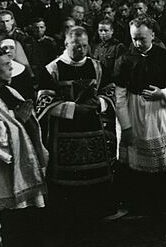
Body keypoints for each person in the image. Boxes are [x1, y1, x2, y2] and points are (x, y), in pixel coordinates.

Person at [36, 27, 118, 225]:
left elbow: (110, 90)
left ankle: (97, 210)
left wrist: (100, 102)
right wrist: (73, 108)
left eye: (84, 46)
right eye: (76, 46)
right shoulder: (52, 69)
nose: (81, 50)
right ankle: (67, 213)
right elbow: (44, 101)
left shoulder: (97, 67)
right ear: (66, 44)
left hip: (93, 127)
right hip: (65, 130)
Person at [0, 48, 48, 246]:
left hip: (18, 170)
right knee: (6, 227)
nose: (11, 69)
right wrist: (19, 119)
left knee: (24, 224)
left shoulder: (10, 90)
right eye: (6, 66)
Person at [114, 15, 166, 214]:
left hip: (160, 114)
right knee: (136, 162)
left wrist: (163, 93)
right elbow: (120, 96)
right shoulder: (125, 60)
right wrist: (125, 125)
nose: (137, 43)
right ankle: (140, 205)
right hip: (134, 113)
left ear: (153, 34)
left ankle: (163, 204)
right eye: (134, 38)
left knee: (162, 161)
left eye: (142, 38)